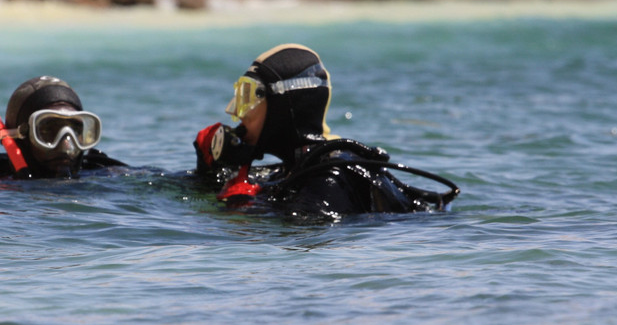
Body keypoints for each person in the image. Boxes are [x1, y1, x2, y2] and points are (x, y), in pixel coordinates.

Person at [192, 44, 459, 217]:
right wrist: (207, 168)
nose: (237, 112)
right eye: (240, 97)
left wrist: (245, 209)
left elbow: (310, 235)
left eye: (249, 97)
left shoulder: (330, 176)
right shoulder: (290, 171)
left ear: (284, 106)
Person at [0, 76, 126, 181]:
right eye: (49, 131)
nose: (66, 144)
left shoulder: (105, 174)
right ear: (19, 136)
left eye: (76, 131)